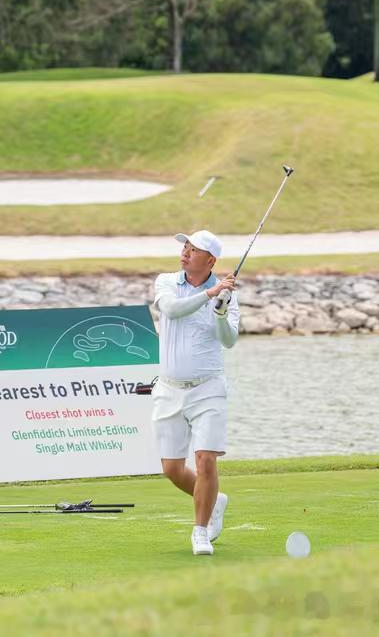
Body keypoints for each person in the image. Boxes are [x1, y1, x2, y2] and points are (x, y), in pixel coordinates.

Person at [151, 229, 240, 555]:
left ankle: (200, 532)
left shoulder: (227, 294)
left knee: (205, 461)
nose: (186, 253)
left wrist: (219, 310)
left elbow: (229, 340)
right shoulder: (166, 282)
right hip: (169, 389)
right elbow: (172, 310)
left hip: (208, 389)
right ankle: (216, 500)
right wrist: (209, 295)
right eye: (185, 247)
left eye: (194, 249)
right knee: (172, 470)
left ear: (210, 260)